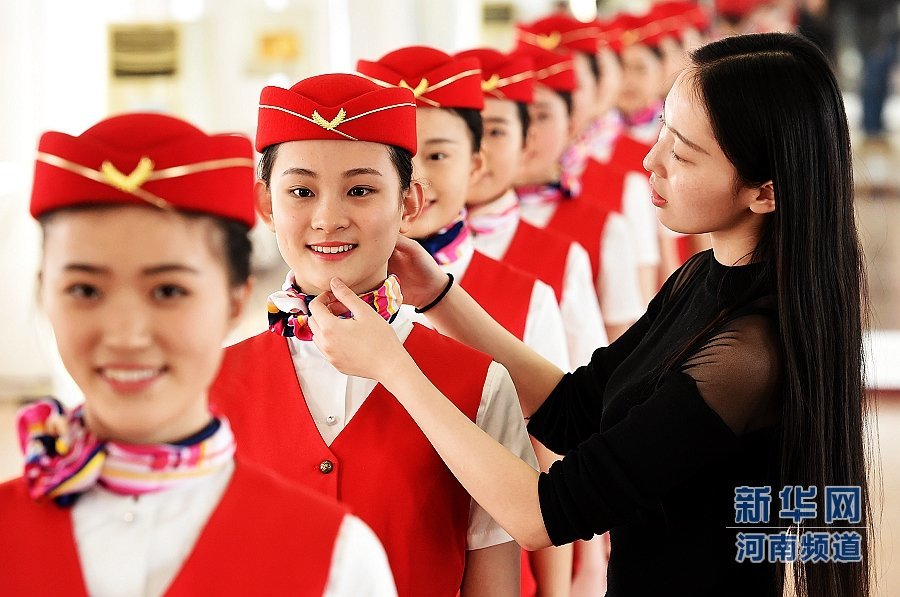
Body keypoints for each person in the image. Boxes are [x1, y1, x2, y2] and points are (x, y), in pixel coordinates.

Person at [307, 33, 872, 597]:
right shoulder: (705, 277)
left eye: (682, 154)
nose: (650, 160)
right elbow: (574, 409)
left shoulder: (748, 356)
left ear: (765, 193)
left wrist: (393, 366)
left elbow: (542, 513)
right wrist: (438, 295)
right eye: (663, 131)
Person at [0, 113, 396, 596]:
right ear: (43, 294)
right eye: (85, 290)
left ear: (235, 301)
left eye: (168, 291)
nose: (126, 335)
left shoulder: (338, 559)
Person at [210, 73, 536, 597]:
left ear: (410, 203)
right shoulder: (208, 386)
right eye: (301, 191)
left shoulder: (480, 384)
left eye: (360, 190)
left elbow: (495, 583)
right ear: (266, 205)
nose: (328, 218)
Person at [356, 45, 571, 372]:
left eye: (437, 156)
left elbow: (567, 405)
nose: (416, 179)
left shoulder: (532, 300)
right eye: (399, 158)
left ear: (474, 165)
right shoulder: (316, 300)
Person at [512, 43, 644, 341]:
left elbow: (624, 348)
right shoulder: (441, 236)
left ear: (572, 124)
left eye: (541, 116)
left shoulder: (608, 227)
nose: (526, 133)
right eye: (504, 125)